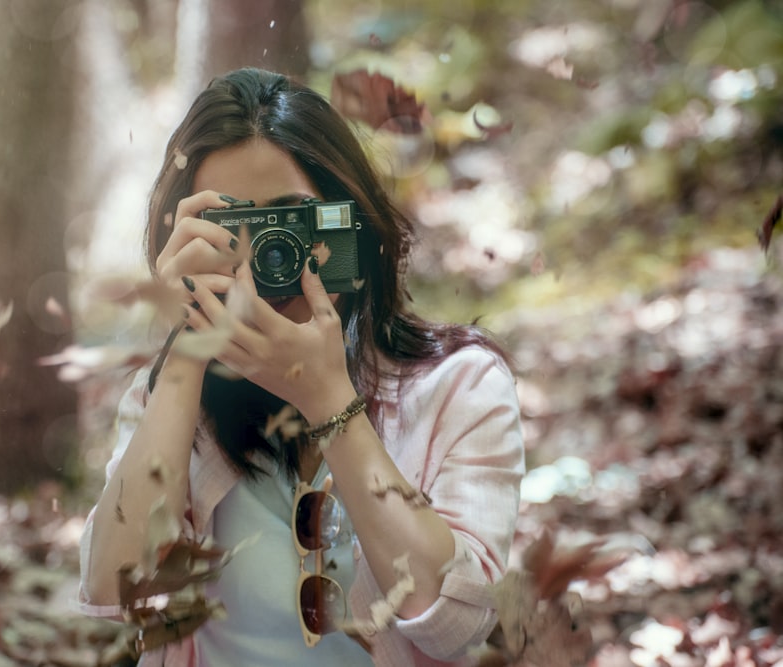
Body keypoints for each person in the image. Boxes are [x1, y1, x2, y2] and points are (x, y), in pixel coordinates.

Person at [78, 67, 525, 667]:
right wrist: (186, 349)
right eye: (235, 229)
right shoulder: (171, 400)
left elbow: (457, 628)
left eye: (290, 223)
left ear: (353, 226)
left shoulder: (460, 387)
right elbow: (117, 590)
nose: (270, 257)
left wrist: (331, 407)